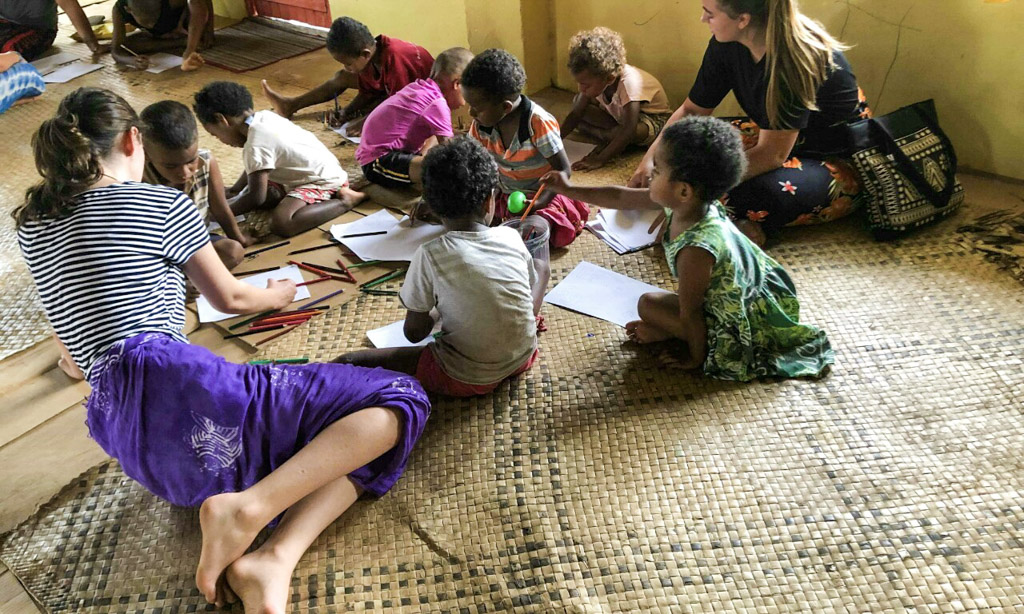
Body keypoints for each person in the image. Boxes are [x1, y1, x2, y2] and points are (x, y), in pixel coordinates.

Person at [15, 87, 431, 612]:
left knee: (314, 439)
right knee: (398, 399)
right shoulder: (159, 203)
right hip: (188, 394)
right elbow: (231, 297)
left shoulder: (32, 222)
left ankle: (272, 558)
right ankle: (250, 510)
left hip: (143, 448)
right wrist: (277, 294)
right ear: (131, 139)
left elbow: (74, 342)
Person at [542, 116, 834, 382]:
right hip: (739, 298)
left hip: (734, 324)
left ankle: (688, 343)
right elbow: (620, 196)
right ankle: (670, 332)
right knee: (650, 306)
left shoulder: (696, 249)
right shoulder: (690, 204)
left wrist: (695, 358)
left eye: (656, 172)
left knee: (649, 305)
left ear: (683, 190)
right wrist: (568, 188)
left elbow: (691, 311)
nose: (649, 177)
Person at [628, 0, 871, 247]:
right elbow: (692, 110)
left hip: (832, 156)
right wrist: (651, 159)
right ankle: (735, 223)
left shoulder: (792, 61)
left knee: (741, 193)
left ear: (743, 20)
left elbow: (772, 154)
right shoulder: (727, 43)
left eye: (709, 14)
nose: (703, 20)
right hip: (774, 134)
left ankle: (736, 221)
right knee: (694, 141)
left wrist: (694, 194)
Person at [337, 137, 541, 397]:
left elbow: (413, 333)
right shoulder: (511, 236)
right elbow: (523, 290)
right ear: (490, 200)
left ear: (430, 207)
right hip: (522, 357)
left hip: (466, 376)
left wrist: (436, 313)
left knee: (350, 361)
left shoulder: (430, 254)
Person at [193, 81, 366, 237]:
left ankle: (345, 201)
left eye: (215, 135)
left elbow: (256, 198)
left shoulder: (256, 143)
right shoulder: (264, 118)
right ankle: (282, 194)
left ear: (221, 120)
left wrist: (221, 214)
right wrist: (235, 190)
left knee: (282, 223)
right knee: (256, 194)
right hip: (300, 174)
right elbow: (257, 166)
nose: (220, 140)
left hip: (321, 181)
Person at [461, 48, 589, 249]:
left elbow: (563, 170)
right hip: (505, 194)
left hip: (542, 195)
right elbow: (471, 162)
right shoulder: (480, 125)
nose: (470, 112)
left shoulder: (539, 123)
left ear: (505, 107)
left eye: (476, 107)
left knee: (535, 231)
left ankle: (536, 225)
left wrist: (540, 202)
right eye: (469, 104)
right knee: (466, 218)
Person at [262, 16, 433, 135]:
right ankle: (290, 105)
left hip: (419, 93)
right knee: (342, 77)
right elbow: (368, 92)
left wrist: (367, 120)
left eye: (349, 63)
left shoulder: (395, 59)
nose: (347, 67)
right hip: (394, 89)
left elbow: (397, 102)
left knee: (381, 112)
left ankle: (291, 105)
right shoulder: (372, 55)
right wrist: (347, 111)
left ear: (365, 54)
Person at [140, 100, 254, 269]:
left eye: (190, 161)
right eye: (171, 166)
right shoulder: (137, 178)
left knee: (233, 251)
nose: (185, 173)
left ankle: (181, 278)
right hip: (157, 250)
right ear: (146, 154)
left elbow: (221, 209)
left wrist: (240, 238)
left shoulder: (206, 161)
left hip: (196, 242)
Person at [356, 47, 474, 190]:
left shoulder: (420, 88)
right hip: (378, 162)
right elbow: (452, 154)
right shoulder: (437, 104)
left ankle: (416, 162)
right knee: (447, 171)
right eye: (467, 92)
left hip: (381, 152)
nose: (465, 101)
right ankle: (368, 192)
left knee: (440, 138)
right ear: (457, 84)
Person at [560, 27, 672, 171]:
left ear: (609, 78)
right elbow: (576, 113)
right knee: (578, 103)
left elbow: (629, 129)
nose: (581, 88)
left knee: (625, 133)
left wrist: (600, 159)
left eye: (585, 84)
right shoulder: (599, 79)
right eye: (579, 82)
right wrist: (553, 142)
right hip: (620, 116)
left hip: (650, 119)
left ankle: (608, 137)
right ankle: (610, 137)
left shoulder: (629, 83)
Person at [111, 0, 214, 71]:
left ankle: (188, 40)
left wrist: (191, 49)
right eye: (146, 22)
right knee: (126, 45)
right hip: (158, 37)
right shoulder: (119, 10)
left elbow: (200, 3)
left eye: (155, 19)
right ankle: (181, 41)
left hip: (180, 25)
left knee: (199, 31)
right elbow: (116, 51)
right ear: (129, 10)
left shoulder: (172, 2)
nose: (151, 25)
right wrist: (131, 61)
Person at [0, 0, 107, 61]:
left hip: (39, 28)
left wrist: (94, 46)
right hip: (5, 23)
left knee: (9, 52)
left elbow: (73, 10)